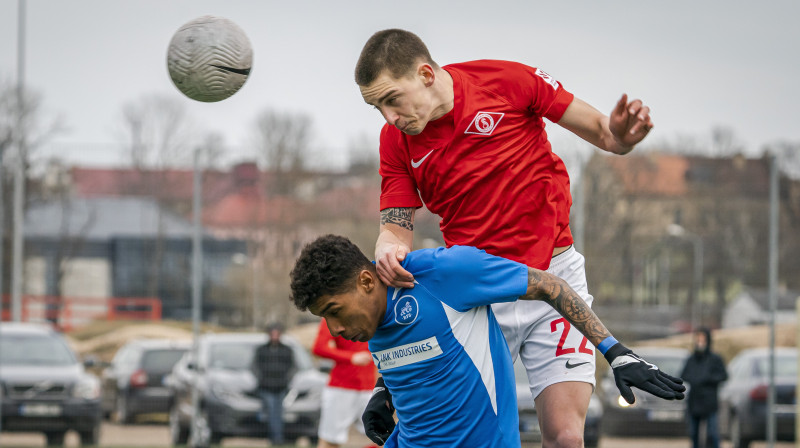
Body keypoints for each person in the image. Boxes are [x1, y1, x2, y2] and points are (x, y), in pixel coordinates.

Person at [355, 28, 654, 448]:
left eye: (392, 99)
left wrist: (622, 136)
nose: (389, 117)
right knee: (465, 438)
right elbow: (396, 224)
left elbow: (605, 133)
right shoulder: (396, 141)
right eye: (376, 107)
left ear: (425, 74)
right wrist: (387, 245)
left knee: (566, 438)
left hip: (554, 275)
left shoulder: (508, 81)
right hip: (477, 296)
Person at [289, 234, 684, 447]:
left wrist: (615, 352)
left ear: (365, 281)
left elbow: (551, 284)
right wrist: (384, 392)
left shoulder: (441, 274)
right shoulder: (370, 326)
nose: (335, 329)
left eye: (334, 310)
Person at [312, 318, 378, 448]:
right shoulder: (333, 315)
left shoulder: (374, 312)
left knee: (383, 437)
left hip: (369, 388)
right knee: (331, 440)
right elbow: (318, 348)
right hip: (341, 388)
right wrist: (351, 357)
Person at [680, 328, 728, 448]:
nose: (700, 342)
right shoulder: (691, 359)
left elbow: (723, 375)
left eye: (703, 339)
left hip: (710, 401)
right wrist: (695, 379)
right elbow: (684, 375)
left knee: (712, 433)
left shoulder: (715, 359)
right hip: (694, 401)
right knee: (694, 433)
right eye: (698, 339)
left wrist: (708, 379)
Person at [252, 322, 295, 445]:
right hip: (266, 387)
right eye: (273, 333)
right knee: (272, 413)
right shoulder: (262, 350)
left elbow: (292, 367)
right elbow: (254, 367)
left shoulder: (286, 350)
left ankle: (276, 438)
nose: (275, 336)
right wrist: (260, 379)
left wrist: (287, 379)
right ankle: (276, 439)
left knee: (278, 414)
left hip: (281, 388)